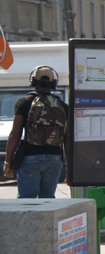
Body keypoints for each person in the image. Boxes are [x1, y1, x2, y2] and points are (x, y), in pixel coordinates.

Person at [3, 65, 68, 198]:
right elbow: (67, 138)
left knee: (27, 201)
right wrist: (70, 167)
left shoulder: (24, 102)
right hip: (55, 159)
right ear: (53, 83)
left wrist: (8, 162)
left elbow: (15, 134)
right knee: (48, 200)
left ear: (33, 81)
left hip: (30, 157)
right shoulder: (62, 105)